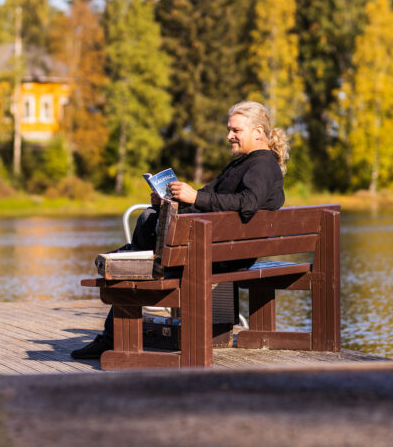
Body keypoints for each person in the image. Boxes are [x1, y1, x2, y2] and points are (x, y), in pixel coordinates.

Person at [71, 100, 289, 360]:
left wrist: (195, 197)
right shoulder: (244, 163)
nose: (229, 136)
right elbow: (211, 194)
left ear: (258, 132)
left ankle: (120, 290)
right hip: (218, 248)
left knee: (142, 236)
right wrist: (176, 199)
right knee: (151, 217)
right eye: (229, 129)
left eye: (236, 131)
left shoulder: (262, 165)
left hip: (220, 255)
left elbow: (248, 203)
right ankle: (128, 259)